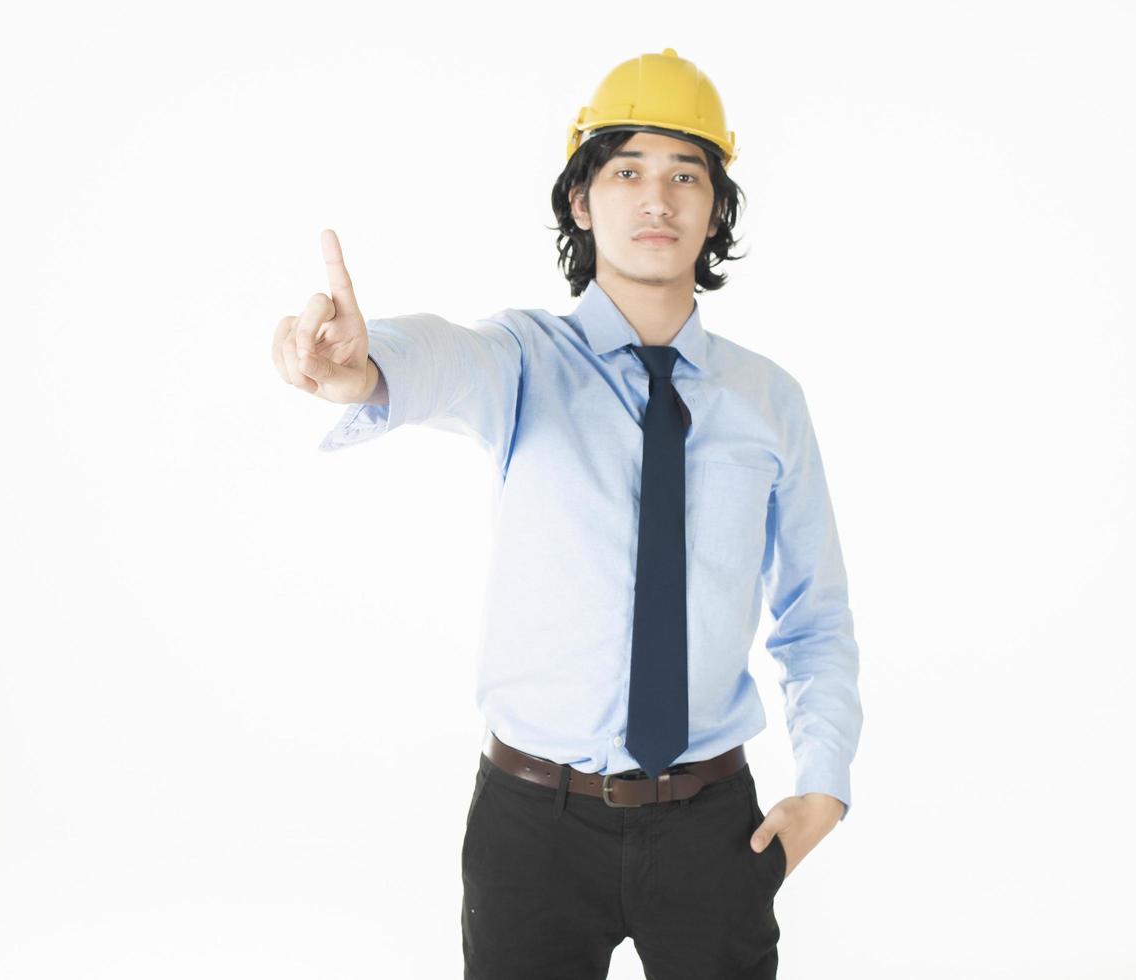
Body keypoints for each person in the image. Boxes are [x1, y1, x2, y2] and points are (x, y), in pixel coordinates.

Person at [272, 47, 862, 980]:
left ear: (716, 209)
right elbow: (443, 358)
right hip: (530, 825)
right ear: (581, 202)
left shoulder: (768, 400)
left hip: (713, 824)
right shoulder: (523, 361)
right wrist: (364, 366)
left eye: (685, 174)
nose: (656, 198)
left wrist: (823, 785)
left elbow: (814, 616)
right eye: (625, 171)